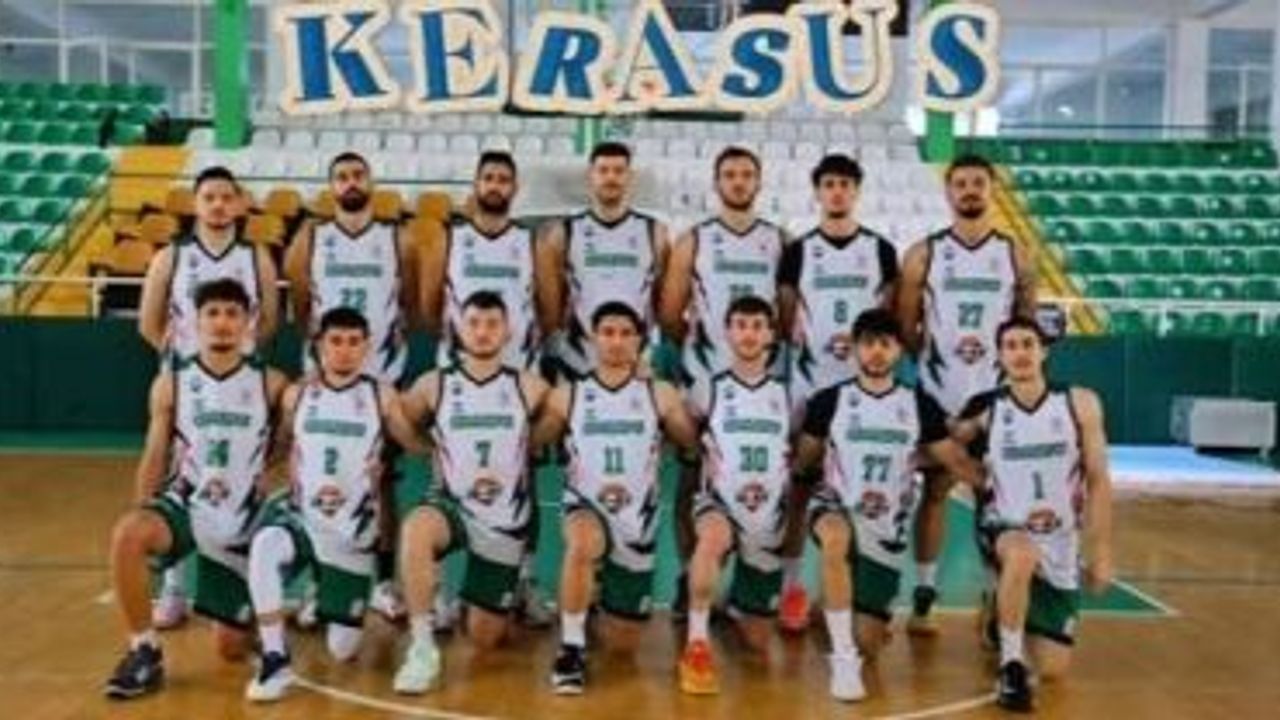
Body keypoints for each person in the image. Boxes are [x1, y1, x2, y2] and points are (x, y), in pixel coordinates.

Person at [104, 278, 287, 700]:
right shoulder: (171, 382)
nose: (222, 323)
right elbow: (155, 452)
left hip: (241, 519)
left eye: (232, 314)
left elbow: (290, 444)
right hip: (188, 504)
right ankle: (144, 650)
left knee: (230, 648)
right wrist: (143, 508)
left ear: (249, 322)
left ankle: (250, 611)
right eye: (212, 313)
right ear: (195, 321)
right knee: (128, 534)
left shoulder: (272, 383)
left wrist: (268, 470)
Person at [792, 309, 981, 701]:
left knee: (870, 643)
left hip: (886, 526)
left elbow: (954, 461)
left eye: (885, 344)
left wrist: (997, 485)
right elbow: (803, 462)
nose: (876, 352)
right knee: (834, 539)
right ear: (854, 349)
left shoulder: (918, 404)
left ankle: (836, 611)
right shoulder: (829, 401)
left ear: (898, 351)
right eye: (868, 344)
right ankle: (843, 660)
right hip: (837, 504)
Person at [243, 307, 427, 702]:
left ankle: (325, 589)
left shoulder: (381, 396)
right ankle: (275, 657)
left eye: (353, 342)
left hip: (351, 532)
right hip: (302, 516)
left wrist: (446, 441)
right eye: (336, 341)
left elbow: (415, 444)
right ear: (319, 346)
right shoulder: (297, 394)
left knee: (343, 650)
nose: (344, 350)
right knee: (265, 546)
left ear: (366, 347)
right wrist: (253, 471)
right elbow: (280, 445)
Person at [896, 154, 1037, 633]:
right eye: (961, 183)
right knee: (935, 492)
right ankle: (925, 593)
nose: (970, 190)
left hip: (996, 398)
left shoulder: (1016, 255)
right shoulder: (924, 254)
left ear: (992, 189)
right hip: (939, 394)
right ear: (948, 191)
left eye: (979, 182)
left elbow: (1026, 327)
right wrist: (938, 362)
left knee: (995, 499)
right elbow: (906, 326)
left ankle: (997, 598)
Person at [658, 146, 798, 626]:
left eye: (746, 174)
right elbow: (669, 313)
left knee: (764, 479)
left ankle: (752, 583)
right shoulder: (694, 241)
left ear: (759, 182)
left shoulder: (780, 241)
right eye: (730, 175)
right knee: (692, 479)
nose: (738, 182)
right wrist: (706, 354)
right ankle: (689, 576)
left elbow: (787, 316)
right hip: (705, 380)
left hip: (761, 384)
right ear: (716, 183)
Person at [530, 301, 700, 695]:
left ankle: (596, 595)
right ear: (593, 338)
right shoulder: (567, 395)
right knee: (582, 542)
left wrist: (682, 412)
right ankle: (571, 647)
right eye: (608, 332)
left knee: (623, 644)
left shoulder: (660, 394)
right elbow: (531, 441)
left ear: (640, 341)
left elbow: (691, 442)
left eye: (626, 334)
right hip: (585, 504)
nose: (617, 341)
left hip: (637, 520)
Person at [137, 165, 281, 630]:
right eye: (209, 197)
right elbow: (149, 322)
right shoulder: (171, 257)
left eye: (225, 197)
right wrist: (184, 364)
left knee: (240, 476)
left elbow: (269, 321)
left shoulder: (256, 257)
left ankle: (241, 574)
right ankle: (174, 588)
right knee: (177, 481)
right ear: (195, 204)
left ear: (239, 204)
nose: (218, 205)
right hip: (189, 387)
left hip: (241, 385)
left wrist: (237, 359)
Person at [284, 151, 420, 622]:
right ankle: (318, 581)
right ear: (331, 187)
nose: (351, 183)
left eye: (358, 175)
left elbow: (410, 302)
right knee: (314, 479)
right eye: (341, 177)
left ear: (372, 182)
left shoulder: (398, 238)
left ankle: (382, 582)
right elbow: (302, 304)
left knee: (381, 481)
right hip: (325, 379)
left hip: (382, 376)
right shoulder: (311, 238)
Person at [950, 317, 1113, 712]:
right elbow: (946, 447)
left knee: (1054, 668)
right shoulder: (986, 409)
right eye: (1010, 346)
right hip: (1005, 527)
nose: (1020, 352)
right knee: (1022, 554)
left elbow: (1098, 480)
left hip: (1061, 537)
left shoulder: (1080, 403)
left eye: (1028, 343)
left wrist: (1101, 552)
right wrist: (978, 480)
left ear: (1044, 351)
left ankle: (999, 610)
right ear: (999, 356)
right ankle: (1011, 666)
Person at [392, 291, 551, 694]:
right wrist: (429, 450)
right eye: (474, 323)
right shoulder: (433, 385)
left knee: (484, 637)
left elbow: (557, 422)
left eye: (492, 324)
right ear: (459, 329)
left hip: (503, 520)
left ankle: (489, 596)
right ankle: (422, 647)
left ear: (507, 331)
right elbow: (401, 418)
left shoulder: (531, 387)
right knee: (416, 529)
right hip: (451, 504)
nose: (482, 332)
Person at [677, 295, 791, 695]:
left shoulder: (787, 395)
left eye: (758, 326)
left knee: (758, 641)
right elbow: (688, 433)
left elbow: (796, 447)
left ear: (771, 335)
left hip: (767, 512)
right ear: (727, 332)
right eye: (741, 325)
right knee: (711, 539)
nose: (749, 334)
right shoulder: (709, 387)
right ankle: (696, 642)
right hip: (719, 501)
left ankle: (735, 604)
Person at [535, 141, 670, 380]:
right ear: (591, 175)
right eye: (603, 170)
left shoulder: (654, 231)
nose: (611, 178)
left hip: (635, 362)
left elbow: (661, 302)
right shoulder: (564, 232)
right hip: (579, 361)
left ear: (630, 177)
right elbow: (552, 306)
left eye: (618, 171)